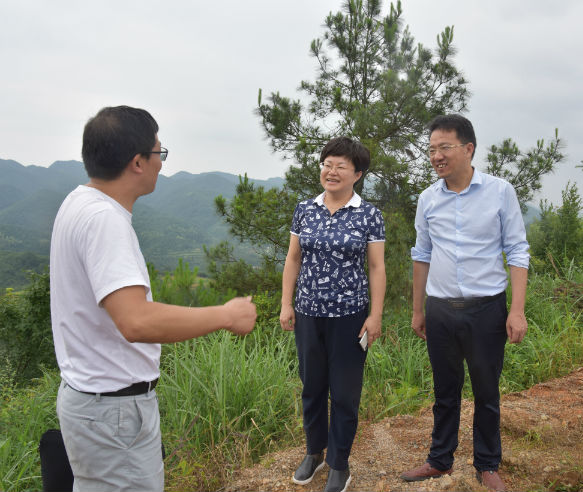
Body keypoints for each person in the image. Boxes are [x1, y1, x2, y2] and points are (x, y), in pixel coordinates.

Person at [50, 105, 257, 492]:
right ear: (138, 162)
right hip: (113, 410)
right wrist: (226, 315)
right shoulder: (105, 221)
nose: (162, 163)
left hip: (91, 402)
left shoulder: (78, 202)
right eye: (159, 154)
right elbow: (136, 321)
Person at [401, 114, 529, 492]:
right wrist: (417, 309)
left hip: (486, 308)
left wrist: (516, 310)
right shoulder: (427, 199)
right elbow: (421, 253)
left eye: (444, 148)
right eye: (431, 149)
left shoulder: (499, 191)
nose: (436, 156)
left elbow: (517, 250)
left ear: (468, 149)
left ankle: (487, 463)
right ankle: (440, 460)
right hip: (440, 309)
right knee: (445, 390)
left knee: (486, 390)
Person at [279, 137, 386, 492]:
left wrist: (376, 315)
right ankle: (314, 452)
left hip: (350, 317)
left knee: (344, 392)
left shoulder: (368, 214)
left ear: (357, 173)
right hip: (309, 314)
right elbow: (294, 258)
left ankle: (339, 462)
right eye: (327, 163)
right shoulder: (305, 209)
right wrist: (286, 303)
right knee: (312, 387)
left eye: (341, 166)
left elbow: (376, 267)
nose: (332, 171)